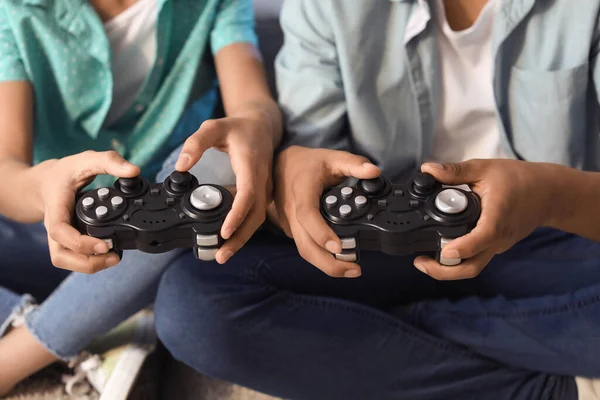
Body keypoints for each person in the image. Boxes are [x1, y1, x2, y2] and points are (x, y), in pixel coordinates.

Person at [154, 0, 600, 399]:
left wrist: (549, 195)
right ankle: (549, 386)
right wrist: (294, 174)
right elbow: (309, 155)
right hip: (376, 242)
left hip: (552, 241)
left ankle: (397, 331)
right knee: (193, 308)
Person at [0, 0, 280, 395]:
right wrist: (44, 186)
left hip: (164, 225)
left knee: (221, 165)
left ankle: (21, 353)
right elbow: (6, 170)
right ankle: (88, 316)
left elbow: (252, 101)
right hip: (49, 233)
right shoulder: (16, 10)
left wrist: (255, 127)